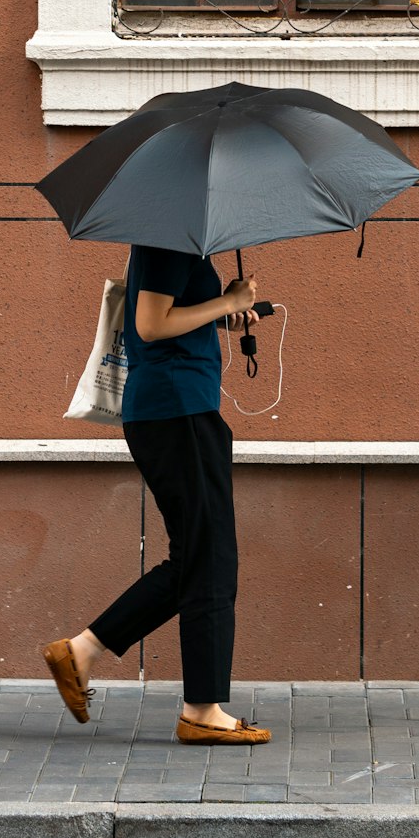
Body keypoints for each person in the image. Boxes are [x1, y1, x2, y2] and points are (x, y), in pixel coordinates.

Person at [42, 244, 271, 745]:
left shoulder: (172, 236)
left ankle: (82, 651)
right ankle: (202, 709)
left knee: (197, 556)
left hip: (176, 409)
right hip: (177, 410)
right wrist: (227, 304)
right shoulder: (170, 234)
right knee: (208, 556)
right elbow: (149, 325)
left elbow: (169, 320)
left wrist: (225, 318)